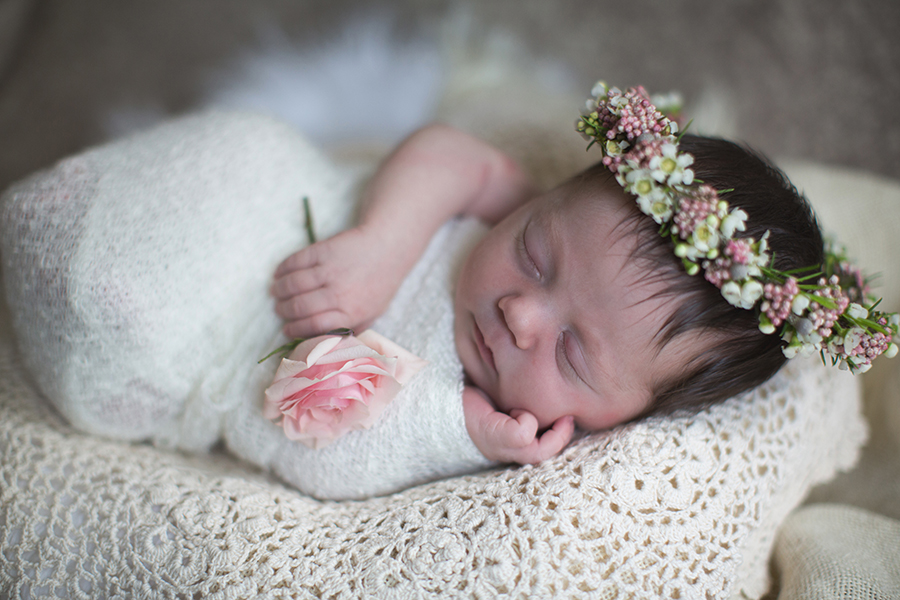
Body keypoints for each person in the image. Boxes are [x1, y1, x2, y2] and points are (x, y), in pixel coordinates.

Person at [266, 83, 897, 475]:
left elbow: (355, 458)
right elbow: (452, 155)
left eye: (572, 354)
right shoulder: (497, 205)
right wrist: (381, 244)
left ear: (625, 419)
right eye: (534, 253)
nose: (521, 314)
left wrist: (465, 431)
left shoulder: (505, 433)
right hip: (261, 215)